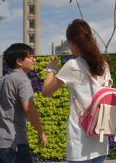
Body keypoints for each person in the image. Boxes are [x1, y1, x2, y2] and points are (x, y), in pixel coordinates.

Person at [42, 19, 111, 163]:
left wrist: (51, 69)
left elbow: (46, 92)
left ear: (72, 42)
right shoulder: (104, 66)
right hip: (100, 136)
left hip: (80, 138)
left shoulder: (72, 65)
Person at [0, 43, 47, 163]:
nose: (34, 59)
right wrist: (40, 132)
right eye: (30, 56)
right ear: (19, 61)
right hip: (14, 146)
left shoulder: (0, 81)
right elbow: (29, 108)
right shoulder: (22, 80)